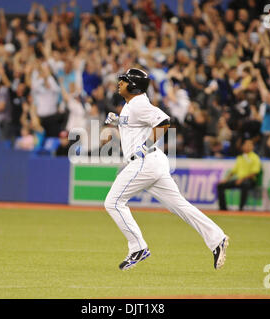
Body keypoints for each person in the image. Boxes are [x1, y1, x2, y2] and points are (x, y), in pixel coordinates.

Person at [104, 68, 229, 271]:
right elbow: (136, 125)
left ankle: (138, 248)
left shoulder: (139, 103)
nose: (120, 83)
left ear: (133, 86)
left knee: (113, 202)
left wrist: (146, 144)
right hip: (153, 162)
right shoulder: (131, 105)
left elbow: (164, 121)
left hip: (143, 162)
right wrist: (118, 121)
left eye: (124, 80)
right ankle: (217, 238)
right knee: (179, 206)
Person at [217, 139, 261, 211]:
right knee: (220, 186)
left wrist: (242, 179)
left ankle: (241, 208)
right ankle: (223, 208)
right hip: (238, 179)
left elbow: (254, 173)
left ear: (252, 147)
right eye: (245, 145)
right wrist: (226, 179)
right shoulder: (240, 157)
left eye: (248, 145)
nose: (246, 147)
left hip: (249, 180)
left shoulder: (255, 157)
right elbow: (233, 171)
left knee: (245, 185)